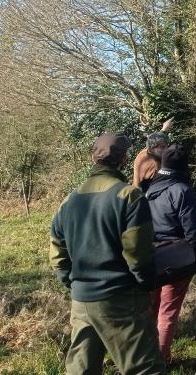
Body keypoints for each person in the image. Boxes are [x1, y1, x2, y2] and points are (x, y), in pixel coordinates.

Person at [50, 132, 167, 375]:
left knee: (81, 370)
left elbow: (58, 255)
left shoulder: (68, 201)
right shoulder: (129, 196)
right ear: (123, 159)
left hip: (81, 300)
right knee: (145, 369)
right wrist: (146, 284)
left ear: (92, 158)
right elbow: (138, 255)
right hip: (120, 299)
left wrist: (74, 283)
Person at [145, 144, 196, 364]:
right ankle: (162, 359)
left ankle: (147, 356)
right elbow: (193, 230)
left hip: (150, 255)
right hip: (177, 257)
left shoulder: (149, 189)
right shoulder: (183, 190)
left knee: (151, 309)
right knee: (168, 311)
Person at [133, 118, 174, 191]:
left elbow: (153, 141)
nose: (166, 149)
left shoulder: (144, 152)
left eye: (166, 146)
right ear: (152, 148)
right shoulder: (155, 165)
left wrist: (164, 129)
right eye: (162, 147)